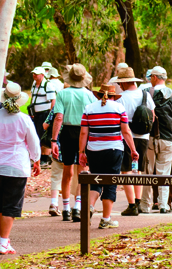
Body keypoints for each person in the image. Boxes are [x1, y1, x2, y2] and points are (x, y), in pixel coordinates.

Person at [80, 83, 138, 229]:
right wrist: (133, 149)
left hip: (93, 150)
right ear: (113, 96)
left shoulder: (89, 108)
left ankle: (90, 208)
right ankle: (106, 219)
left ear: (99, 95)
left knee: (96, 180)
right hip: (114, 150)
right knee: (111, 183)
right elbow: (126, 132)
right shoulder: (119, 108)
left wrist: (81, 152)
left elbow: (83, 133)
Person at [0, 83, 41, 254]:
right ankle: (4, 241)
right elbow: (33, 142)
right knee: (12, 205)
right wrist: (36, 160)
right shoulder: (23, 119)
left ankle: (1, 238)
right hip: (17, 164)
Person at [51, 64, 96, 222]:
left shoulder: (62, 94)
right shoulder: (90, 95)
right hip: (84, 132)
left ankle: (65, 208)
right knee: (82, 171)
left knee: (67, 171)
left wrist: (54, 139)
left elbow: (58, 118)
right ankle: (77, 207)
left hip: (67, 133)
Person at [139, 66, 172, 214]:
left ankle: (145, 205)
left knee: (147, 172)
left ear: (154, 77)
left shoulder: (145, 94)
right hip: (167, 140)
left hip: (149, 139)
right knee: (164, 173)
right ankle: (163, 205)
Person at [116, 67, 155, 216]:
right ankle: (138, 201)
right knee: (137, 169)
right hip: (143, 136)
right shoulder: (145, 95)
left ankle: (131, 204)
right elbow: (152, 114)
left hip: (128, 137)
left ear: (124, 83)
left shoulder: (122, 98)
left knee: (126, 169)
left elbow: (120, 120)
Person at [43, 109, 79, 216]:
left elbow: (45, 125)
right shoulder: (84, 102)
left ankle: (54, 203)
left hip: (58, 147)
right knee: (77, 177)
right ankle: (77, 205)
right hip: (77, 146)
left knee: (56, 175)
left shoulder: (58, 106)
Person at [30, 66, 56, 168]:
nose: (34, 75)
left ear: (42, 75)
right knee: (36, 134)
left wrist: (50, 115)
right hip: (36, 113)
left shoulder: (47, 85)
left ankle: (45, 158)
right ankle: (39, 157)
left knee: (43, 135)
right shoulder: (34, 84)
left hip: (44, 113)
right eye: (33, 73)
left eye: (36, 74)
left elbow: (53, 100)